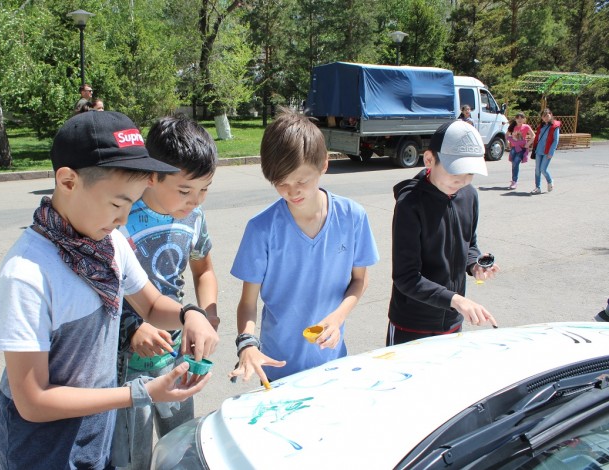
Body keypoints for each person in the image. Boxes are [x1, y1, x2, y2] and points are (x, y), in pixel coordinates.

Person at [0, 110, 218, 470]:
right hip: (43, 448)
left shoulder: (109, 243)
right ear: (68, 181)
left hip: (96, 432)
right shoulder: (27, 274)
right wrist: (139, 393)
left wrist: (191, 315)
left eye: (132, 203)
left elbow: (151, 306)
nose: (124, 219)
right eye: (117, 203)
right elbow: (32, 400)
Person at [229, 110, 379, 385]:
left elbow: (360, 280)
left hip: (332, 364)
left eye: (301, 181)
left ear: (324, 164)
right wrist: (247, 344)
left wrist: (338, 317)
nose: (292, 191)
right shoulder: (261, 228)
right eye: (281, 183)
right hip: (277, 368)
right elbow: (248, 303)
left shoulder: (352, 217)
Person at [116, 115, 219, 469]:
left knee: (180, 448)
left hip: (176, 355)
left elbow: (204, 270)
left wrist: (206, 315)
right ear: (152, 175)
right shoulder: (120, 216)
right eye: (185, 190)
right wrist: (133, 328)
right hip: (126, 365)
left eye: (204, 189)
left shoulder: (194, 217)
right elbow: (100, 291)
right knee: (132, 458)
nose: (195, 201)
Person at [387, 120, 499, 346]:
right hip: (412, 323)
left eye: (470, 172)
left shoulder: (469, 195)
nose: (462, 180)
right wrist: (456, 300)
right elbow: (406, 277)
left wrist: (475, 264)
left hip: (453, 320)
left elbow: (470, 244)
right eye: (455, 170)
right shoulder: (410, 203)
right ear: (429, 159)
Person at [530, 108, 561, 194]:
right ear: (542, 118)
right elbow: (537, 138)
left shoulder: (555, 127)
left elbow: (556, 140)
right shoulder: (541, 126)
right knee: (537, 170)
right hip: (539, 150)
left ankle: (550, 181)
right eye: (544, 116)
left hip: (547, 151)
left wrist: (551, 152)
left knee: (543, 169)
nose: (546, 118)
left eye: (547, 115)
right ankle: (537, 187)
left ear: (551, 115)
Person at [506, 112, 535, 190]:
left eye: (521, 118)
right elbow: (507, 135)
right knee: (513, 164)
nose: (520, 120)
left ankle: (514, 181)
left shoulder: (526, 127)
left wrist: (528, 144)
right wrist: (509, 142)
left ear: (524, 119)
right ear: (515, 119)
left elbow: (533, 136)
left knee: (516, 162)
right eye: (518, 118)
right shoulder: (513, 126)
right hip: (514, 148)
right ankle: (513, 180)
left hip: (521, 148)